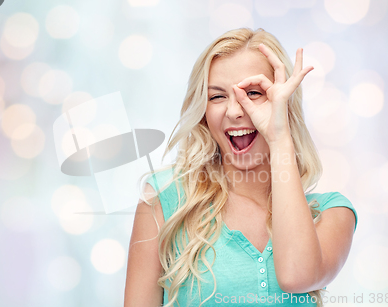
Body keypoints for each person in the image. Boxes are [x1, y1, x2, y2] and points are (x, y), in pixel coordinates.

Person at [124, 28, 358, 307]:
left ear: (284, 102)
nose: (235, 111)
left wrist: (279, 137)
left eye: (254, 93)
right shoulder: (165, 200)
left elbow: (298, 276)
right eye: (217, 97)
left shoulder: (332, 212)